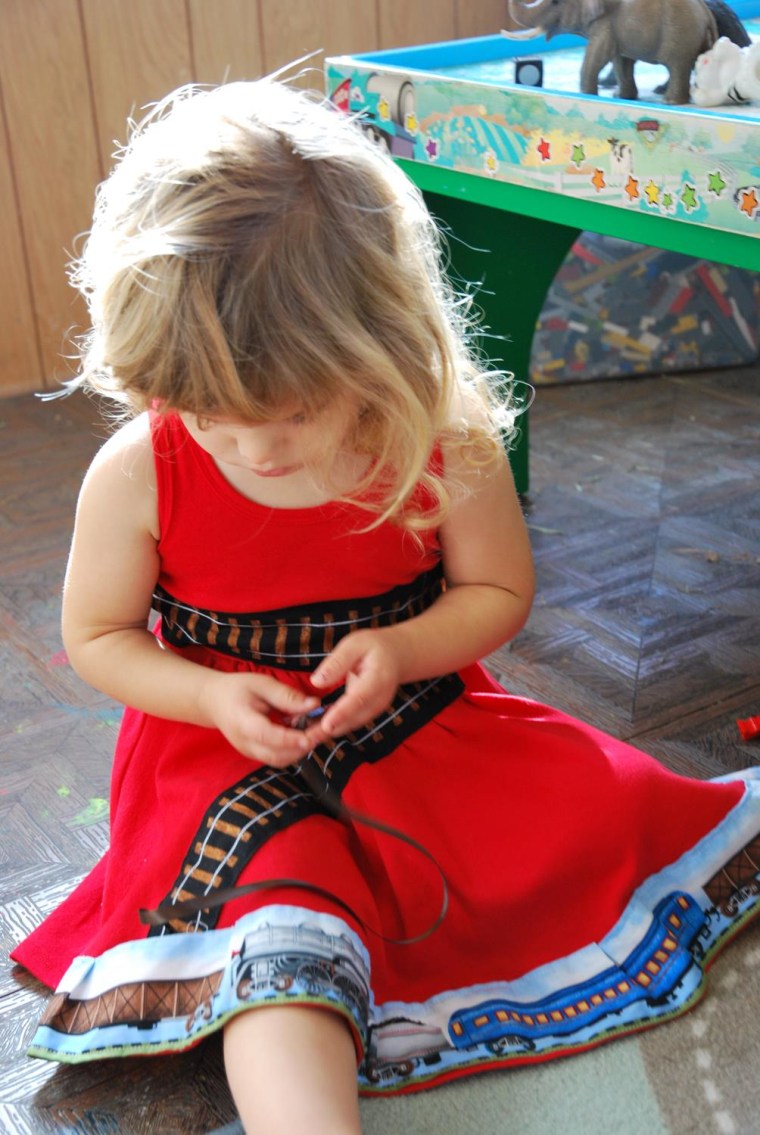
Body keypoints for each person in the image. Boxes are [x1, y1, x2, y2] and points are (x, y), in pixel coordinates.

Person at [11, 79, 760, 1135]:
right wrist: (206, 698)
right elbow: (97, 637)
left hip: (418, 726)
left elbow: (497, 592)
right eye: (215, 421)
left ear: (384, 346)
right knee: (278, 932)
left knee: (617, 823)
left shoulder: (440, 437)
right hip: (222, 758)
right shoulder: (140, 470)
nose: (256, 450)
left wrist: (403, 647)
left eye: (297, 414)